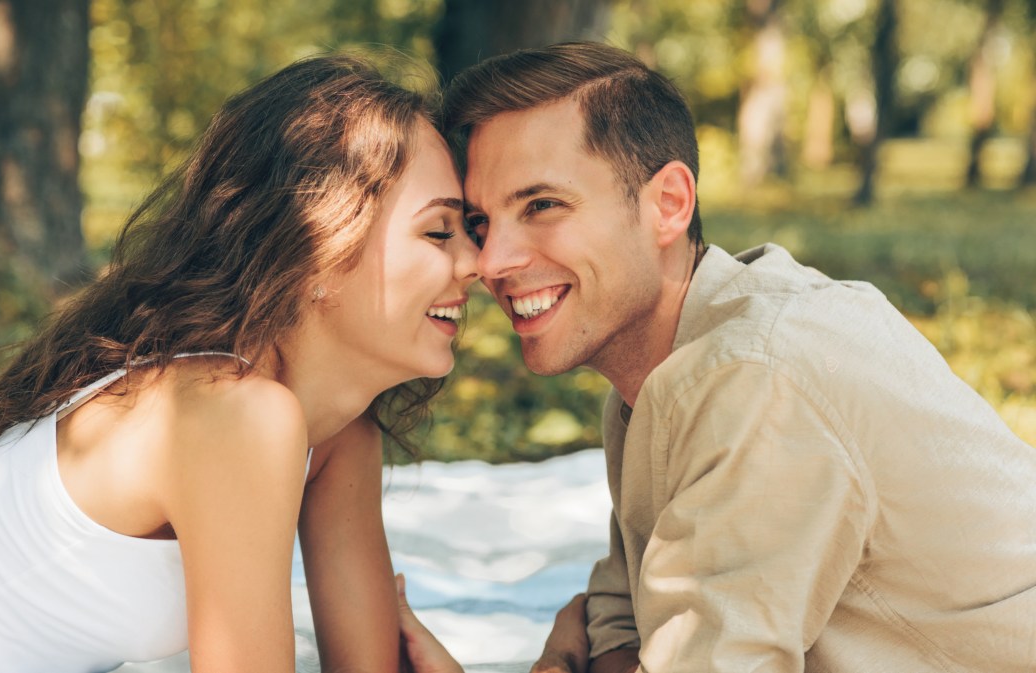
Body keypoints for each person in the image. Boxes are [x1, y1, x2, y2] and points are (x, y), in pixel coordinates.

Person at [0, 53, 479, 673]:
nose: (475, 264)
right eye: (439, 232)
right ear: (317, 249)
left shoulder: (339, 436)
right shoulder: (233, 414)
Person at [410, 41, 1036, 673]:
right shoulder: (655, 381)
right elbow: (621, 622)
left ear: (669, 205)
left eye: (542, 206)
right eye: (483, 223)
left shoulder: (751, 377)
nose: (489, 262)